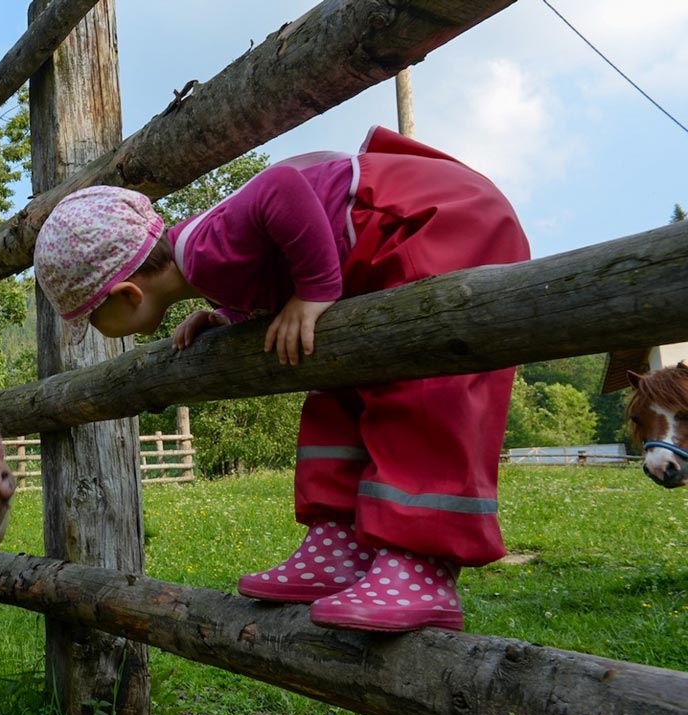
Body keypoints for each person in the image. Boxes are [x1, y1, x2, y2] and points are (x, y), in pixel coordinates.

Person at [32, 125, 530, 633]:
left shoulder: (205, 250)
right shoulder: (206, 263)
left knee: (424, 393)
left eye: (92, 318)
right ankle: (340, 543)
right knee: (333, 389)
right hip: (395, 239)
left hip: (431, 222)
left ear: (127, 294)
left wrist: (314, 290)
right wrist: (229, 315)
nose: (99, 331)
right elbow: (264, 265)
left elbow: (280, 187)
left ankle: (421, 565)